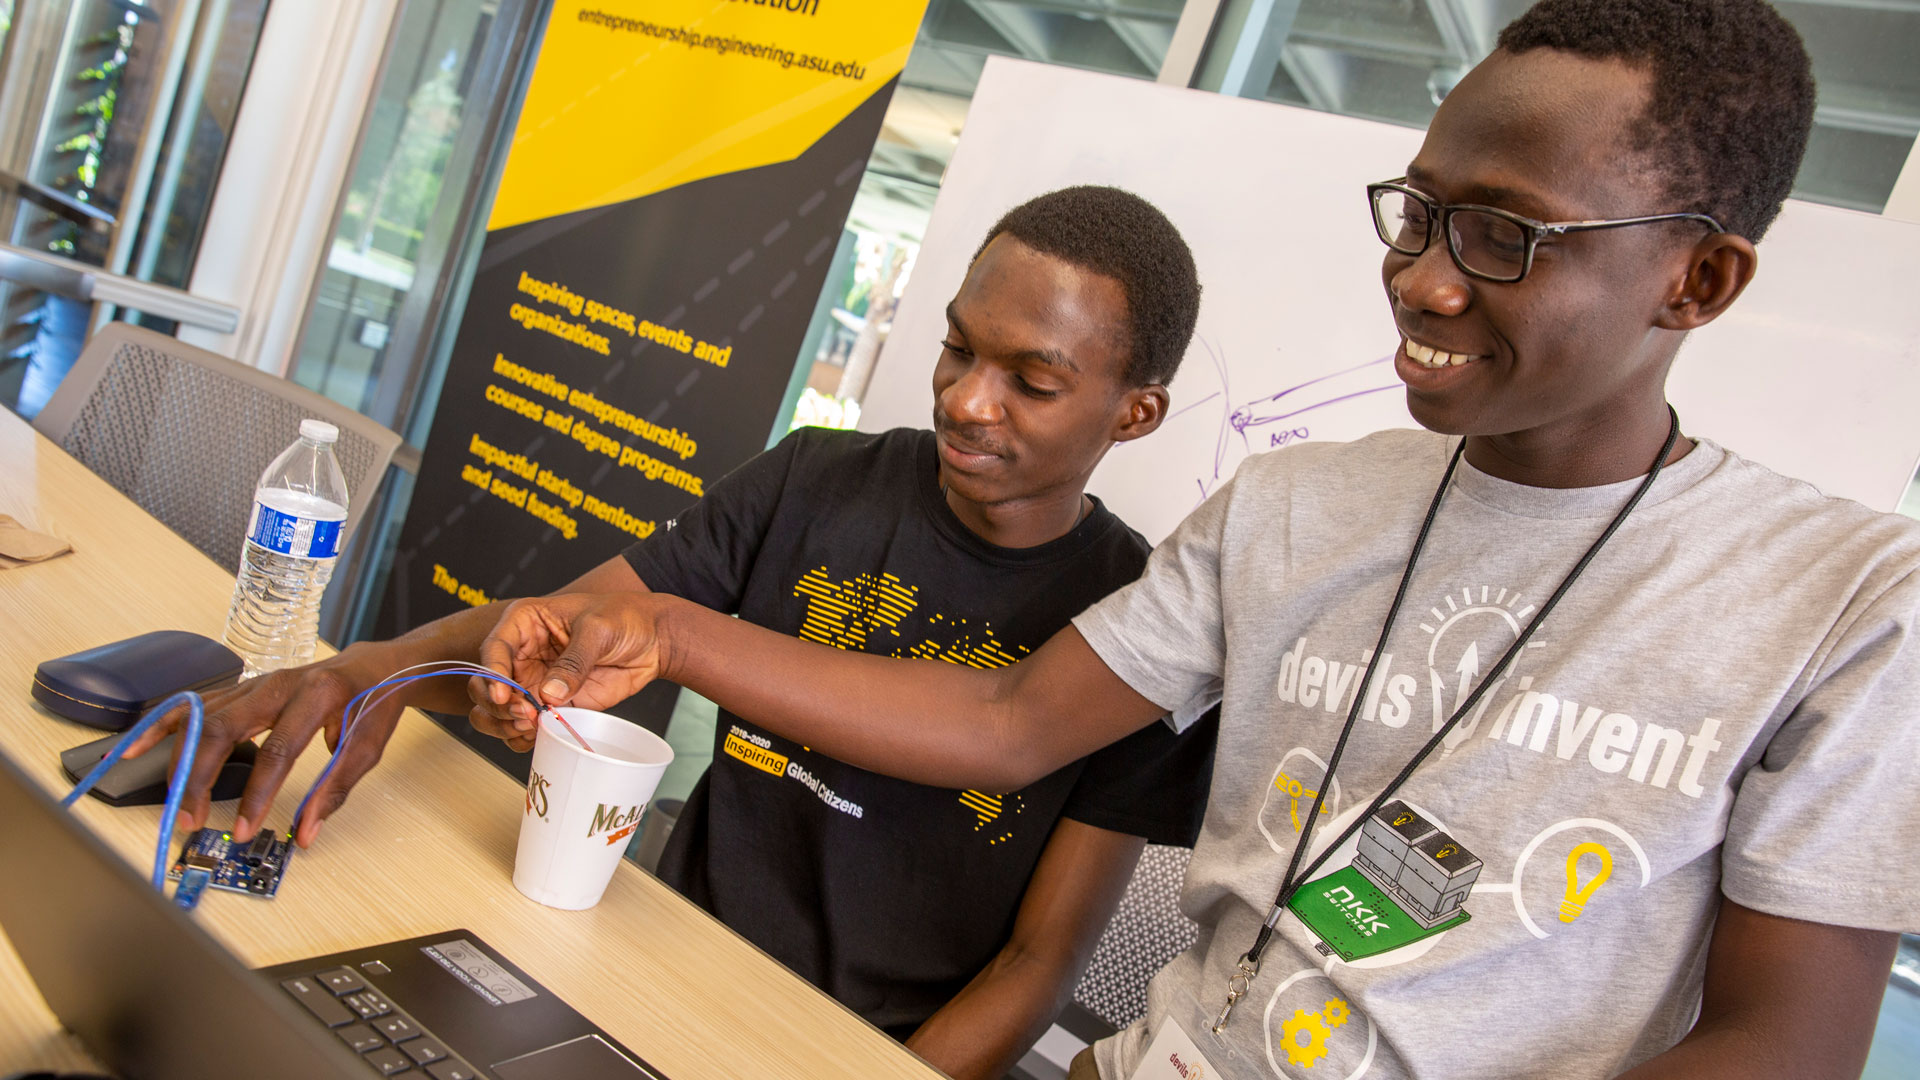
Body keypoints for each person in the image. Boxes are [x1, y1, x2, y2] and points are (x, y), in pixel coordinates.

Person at [470, 2, 1920, 1077]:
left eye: (1504, 236)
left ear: (1698, 279)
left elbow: (1782, 1046)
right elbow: (1003, 720)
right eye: (1418, 213)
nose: (1419, 279)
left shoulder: (1843, 602)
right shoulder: (1294, 511)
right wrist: (670, 630)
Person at [134, 186, 1219, 1078]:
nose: (968, 401)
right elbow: (573, 624)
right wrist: (370, 671)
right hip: (638, 950)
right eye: (956, 349)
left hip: (848, 1051)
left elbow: (1038, 962)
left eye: (1030, 381)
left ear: (1135, 412)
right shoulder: (817, 478)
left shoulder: (1134, 628)